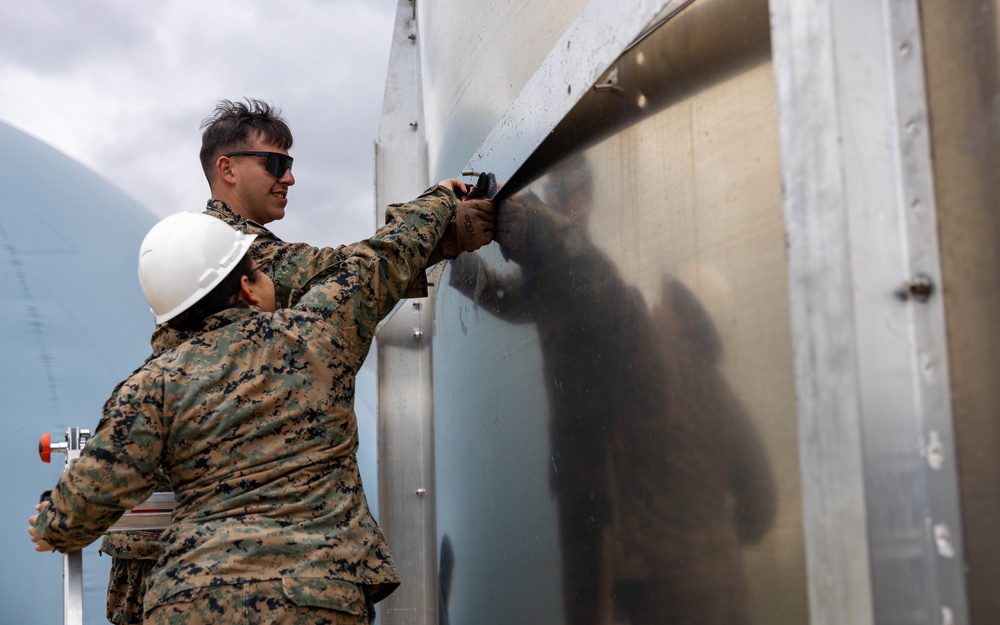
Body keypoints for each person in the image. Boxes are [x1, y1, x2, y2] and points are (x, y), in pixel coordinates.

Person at [96, 98, 495, 624]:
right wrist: (439, 214)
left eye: (291, 164)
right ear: (227, 168)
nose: (289, 178)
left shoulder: (202, 255)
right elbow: (350, 274)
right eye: (275, 164)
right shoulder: (226, 259)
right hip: (260, 577)